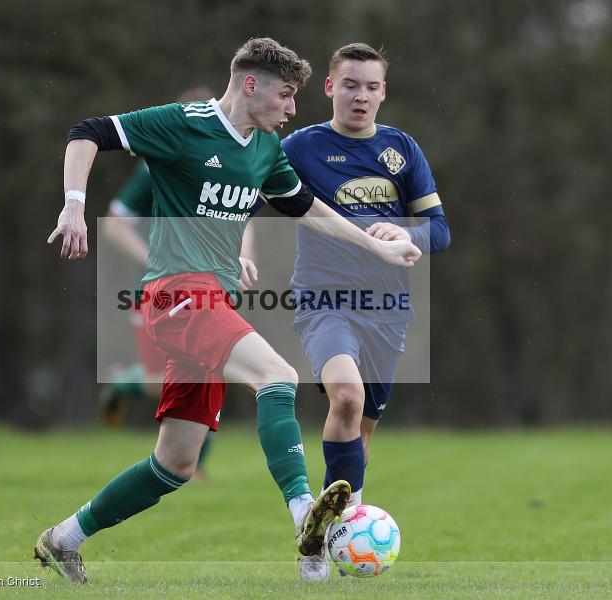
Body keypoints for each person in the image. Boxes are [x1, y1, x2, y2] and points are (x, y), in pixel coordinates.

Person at [38, 37, 421, 584]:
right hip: (175, 294)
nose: (292, 110)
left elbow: (303, 207)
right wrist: (74, 206)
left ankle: (63, 539)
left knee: (175, 464)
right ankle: (304, 517)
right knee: (277, 377)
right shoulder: (183, 123)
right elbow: (88, 132)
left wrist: (377, 245)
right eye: (286, 96)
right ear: (251, 85)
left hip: (211, 299)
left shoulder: (265, 148)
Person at [281, 43, 451, 581]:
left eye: (371, 86)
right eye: (350, 84)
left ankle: (337, 526)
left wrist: (406, 231)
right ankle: (316, 547)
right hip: (323, 300)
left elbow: (441, 230)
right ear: (330, 87)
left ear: (383, 92)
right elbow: (250, 195)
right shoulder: (300, 147)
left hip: (387, 309)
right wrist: (238, 249)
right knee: (346, 396)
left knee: (363, 433)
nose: (361, 95)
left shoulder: (402, 150)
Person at [99, 86, 239, 482]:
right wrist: (158, 261)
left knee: (214, 365)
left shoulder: (234, 162)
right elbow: (114, 224)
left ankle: (194, 465)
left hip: (213, 283)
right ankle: (125, 385)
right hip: (159, 288)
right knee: (162, 379)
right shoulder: (157, 167)